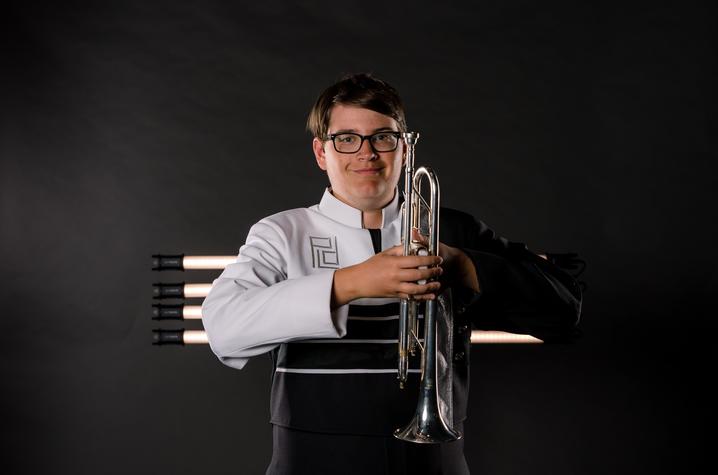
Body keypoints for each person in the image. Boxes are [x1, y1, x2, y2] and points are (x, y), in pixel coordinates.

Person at [201, 73, 582, 475]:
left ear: (404, 148)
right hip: (312, 455)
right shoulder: (282, 232)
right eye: (346, 139)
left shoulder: (449, 230)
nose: (366, 153)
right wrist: (351, 283)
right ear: (320, 152)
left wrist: (463, 265)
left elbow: (564, 312)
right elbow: (223, 327)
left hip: (434, 456)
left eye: (383, 137)